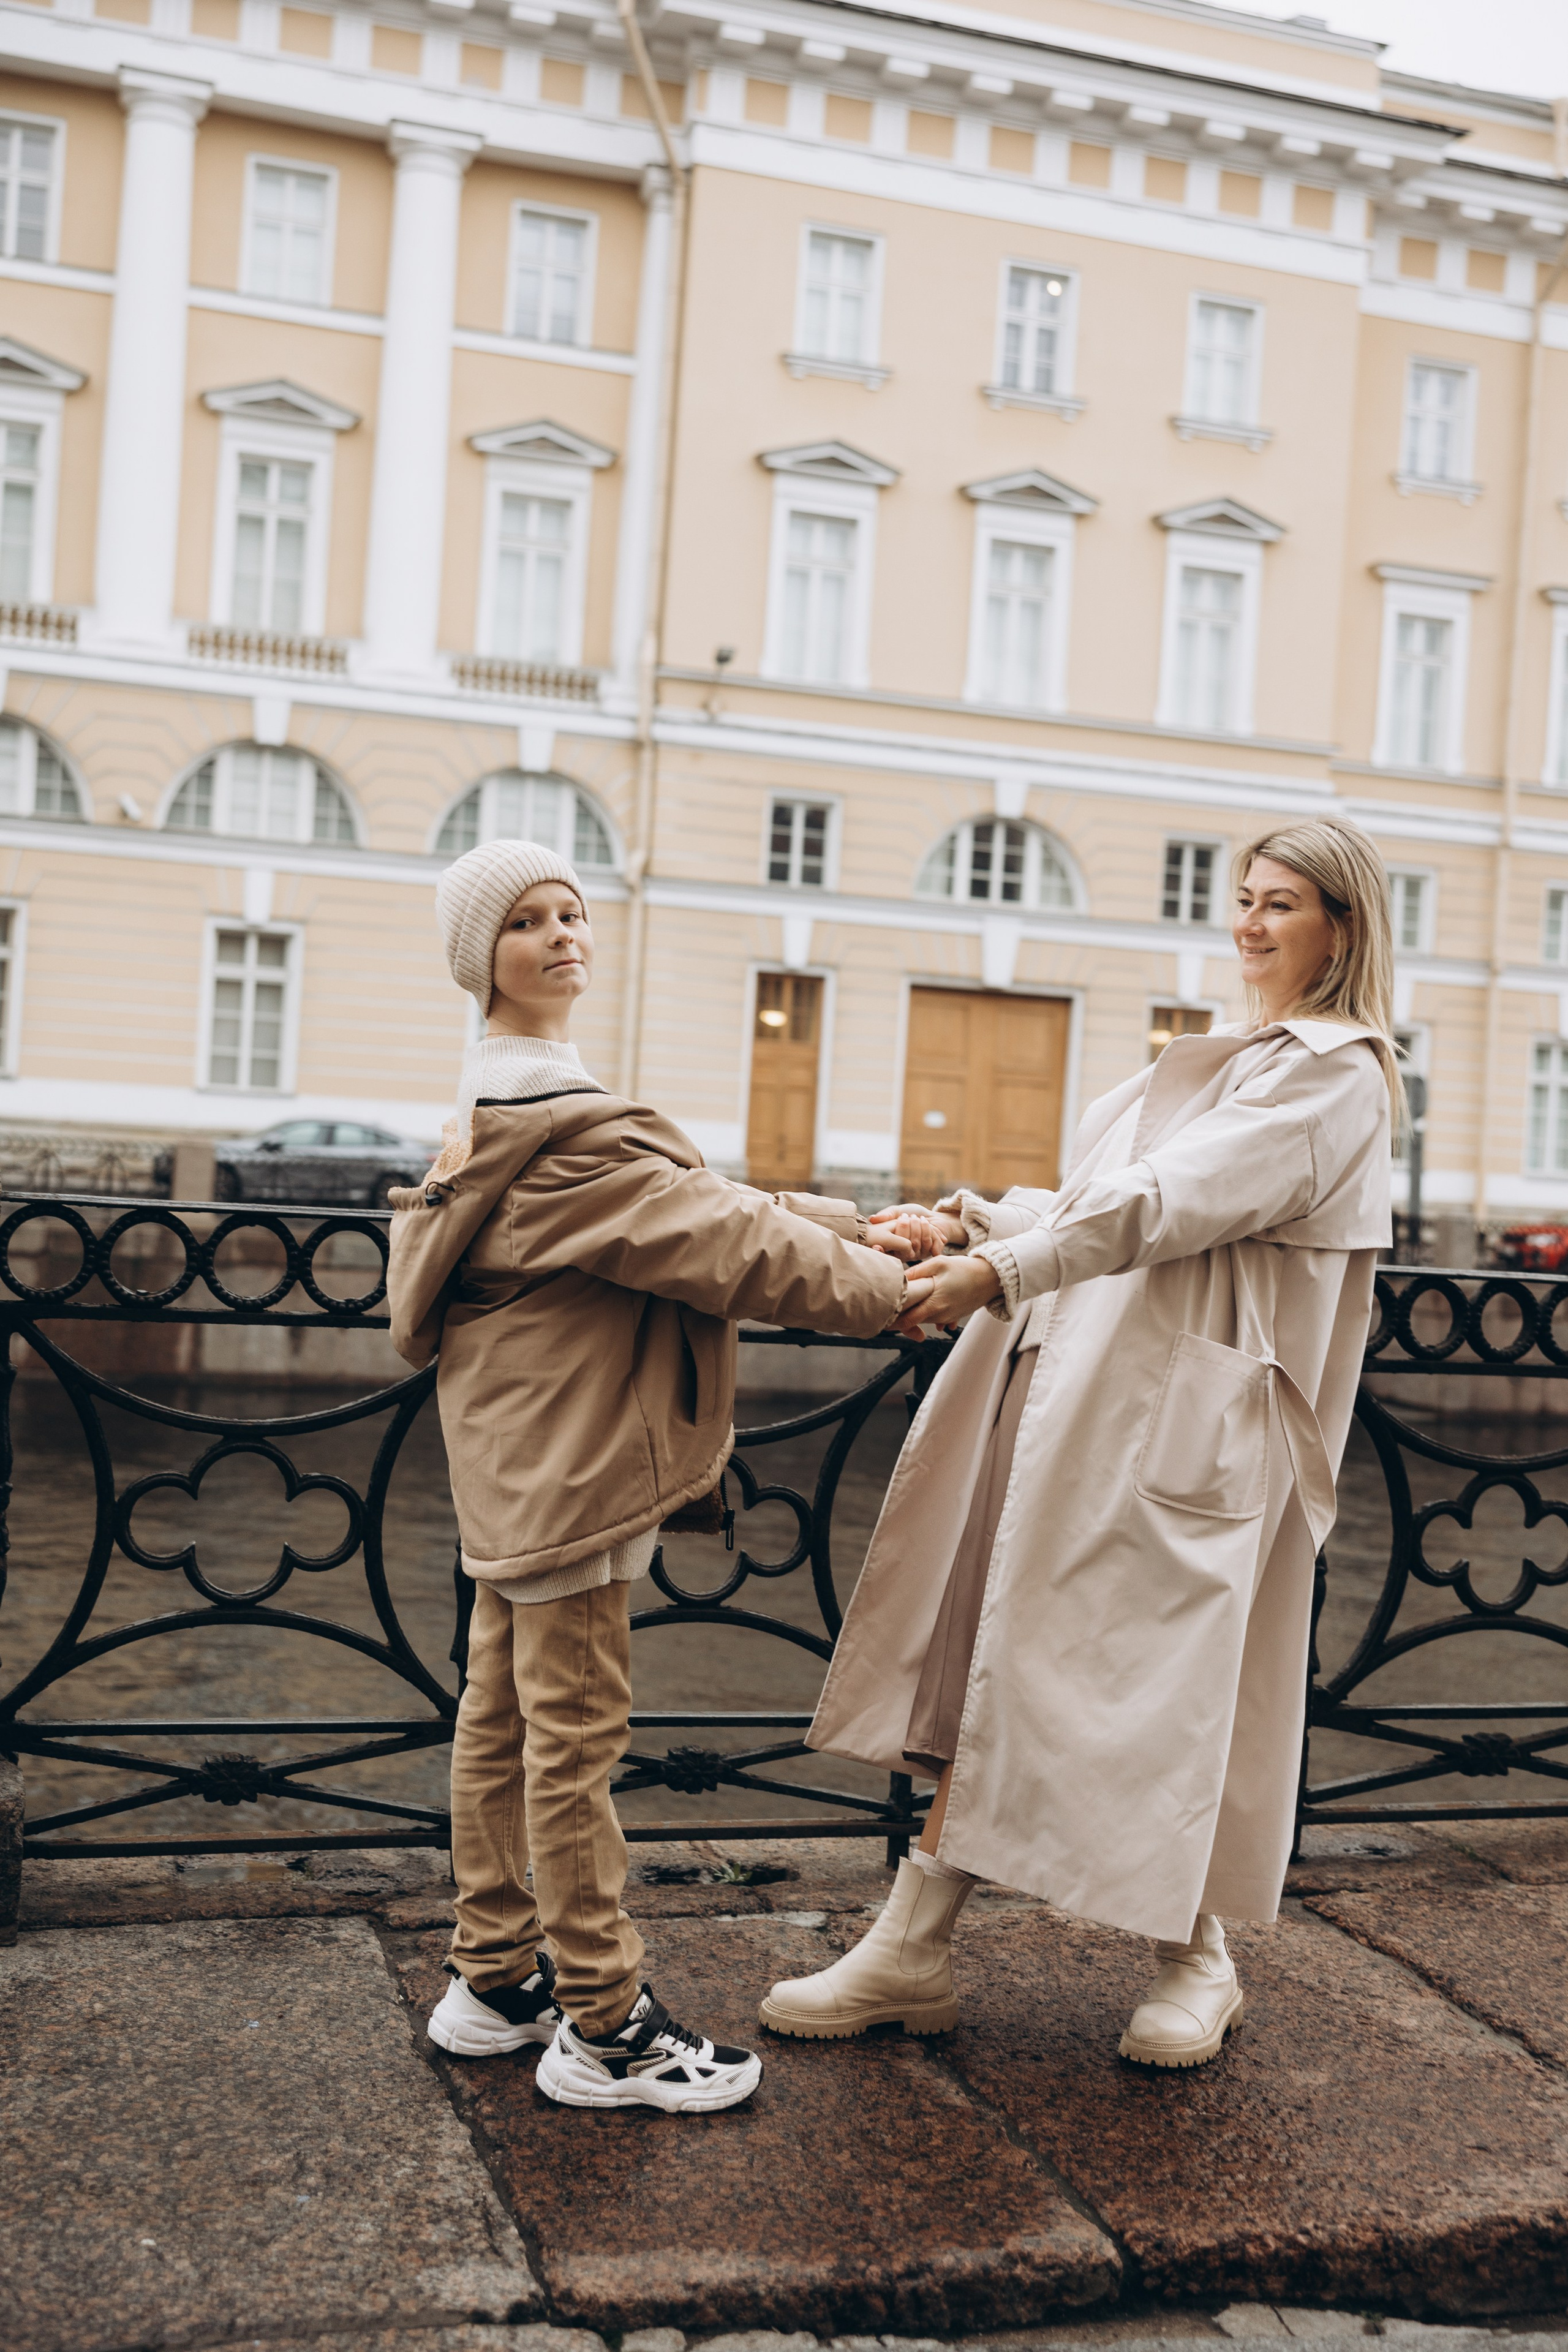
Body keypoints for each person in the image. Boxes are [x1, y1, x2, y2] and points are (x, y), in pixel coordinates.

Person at [760, 816, 1397, 2070]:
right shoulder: (1236, 1061)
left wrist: (996, 1266)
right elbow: (1115, 1207)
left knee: (1169, 1685)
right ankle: (918, 1944)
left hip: (1182, 1430)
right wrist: (972, 1218)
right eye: (1244, 898)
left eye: (1280, 904)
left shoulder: (1332, 1074)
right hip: (1084, 1398)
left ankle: (1188, 1957)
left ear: (1343, 925)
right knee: (1007, 1657)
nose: (1247, 923)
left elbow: (1176, 1202)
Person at [387, 838, 916, 2114]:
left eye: (572, 912)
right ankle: (607, 2028)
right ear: (484, 961)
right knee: (571, 1742)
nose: (564, 934)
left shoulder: (502, 1111)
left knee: (500, 1725)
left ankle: (493, 1979)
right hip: (574, 1470)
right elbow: (721, 1243)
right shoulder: (562, 1131)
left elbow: (694, 1199)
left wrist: (844, 1220)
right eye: (527, 922)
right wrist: (903, 1291)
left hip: (517, 1463)